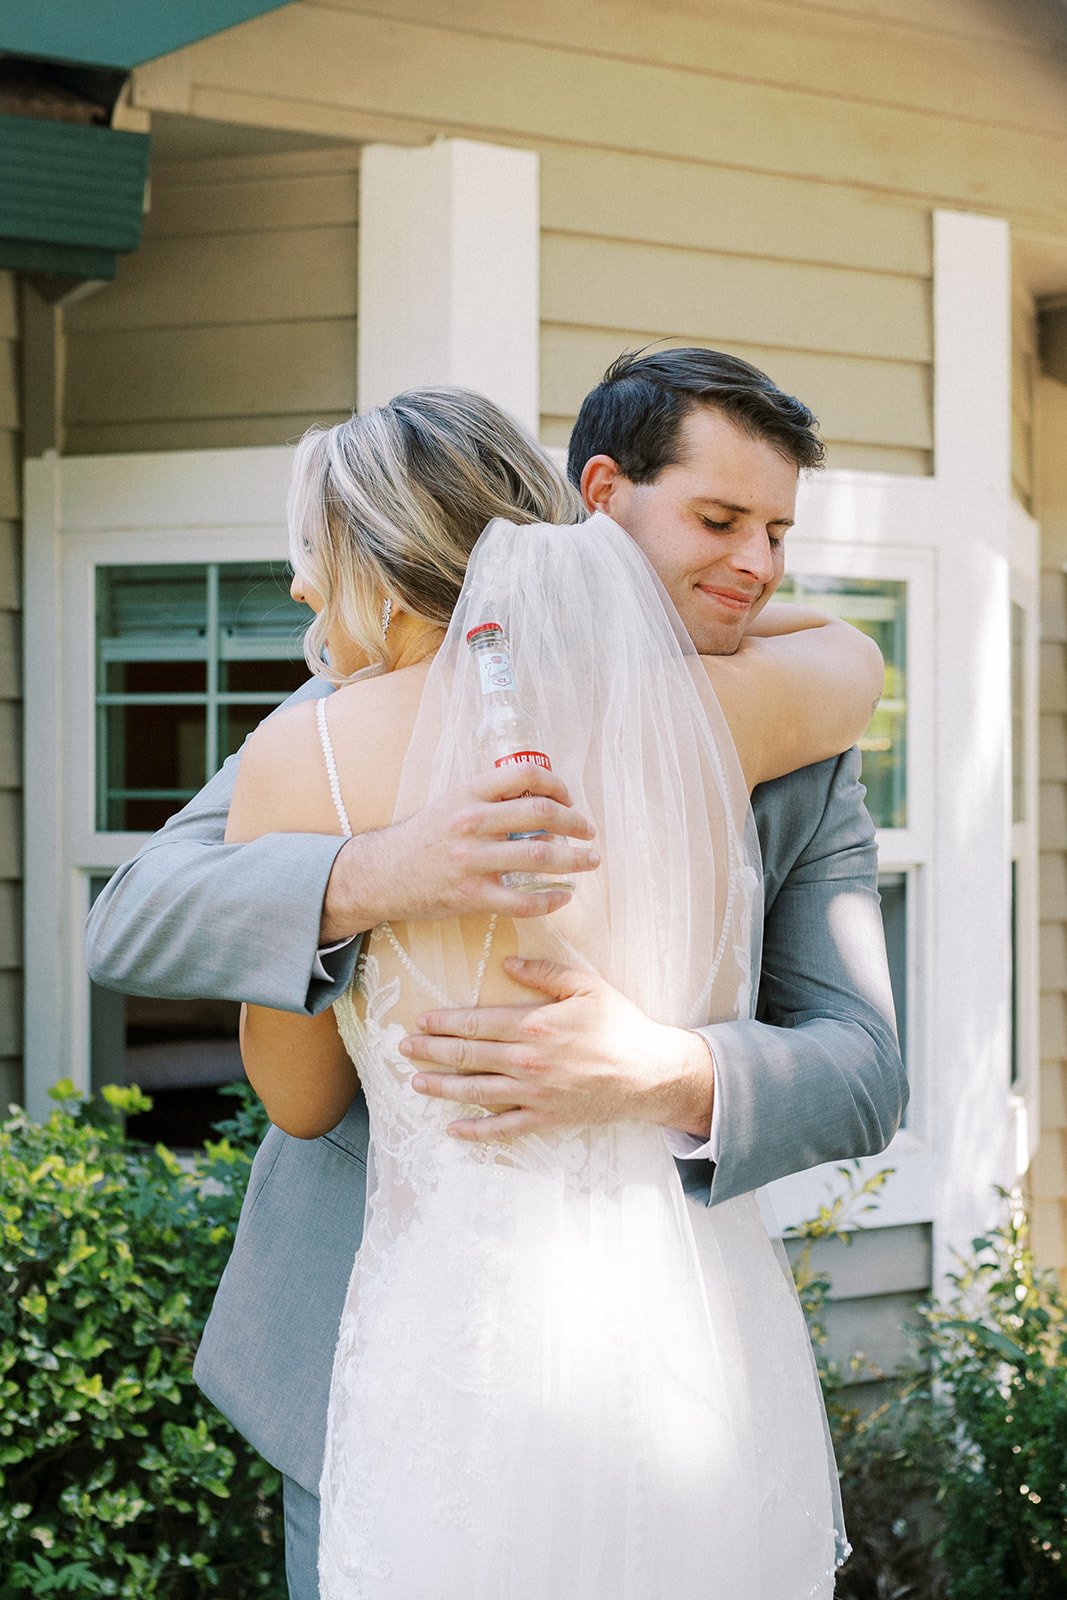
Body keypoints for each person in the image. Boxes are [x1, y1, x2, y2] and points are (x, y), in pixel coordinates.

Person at [85, 350, 906, 1598]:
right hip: (397, 1356)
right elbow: (139, 910)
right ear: (594, 500)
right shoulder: (789, 706)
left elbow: (862, 1070)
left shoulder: (318, 744)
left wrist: (669, 1070)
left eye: (778, 533)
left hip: (610, 1347)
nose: (756, 565)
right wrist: (374, 873)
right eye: (718, 520)